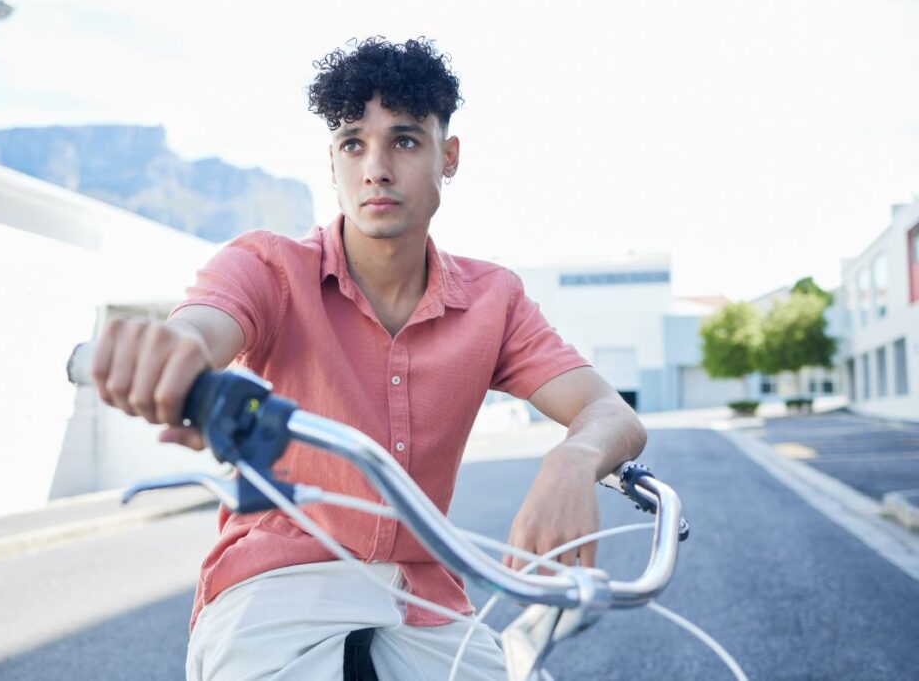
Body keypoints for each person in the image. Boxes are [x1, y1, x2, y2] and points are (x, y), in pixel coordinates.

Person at [91, 36, 647, 681]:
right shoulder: (269, 267)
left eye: (405, 140)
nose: (375, 168)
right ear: (333, 163)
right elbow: (202, 327)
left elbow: (608, 409)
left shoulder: (494, 298)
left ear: (450, 156)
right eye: (353, 143)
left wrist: (574, 460)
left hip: (424, 600)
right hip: (277, 587)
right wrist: (171, 355)